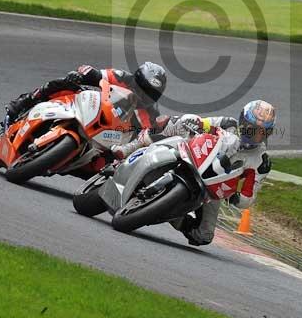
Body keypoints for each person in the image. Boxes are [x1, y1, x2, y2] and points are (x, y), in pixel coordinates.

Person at [112, 100, 276, 246]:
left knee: (203, 236)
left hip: (213, 187)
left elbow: (250, 194)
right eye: (252, 129)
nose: (255, 136)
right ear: (242, 122)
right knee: (173, 122)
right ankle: (129, 149)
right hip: (192, 154)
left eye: (262, 133)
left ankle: (164, 212)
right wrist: (194, 122)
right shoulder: (228, 124)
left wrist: (236, 197)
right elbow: (203, 123)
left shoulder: (261, 161)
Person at [5, 62, 167, 132]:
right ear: (135, 80)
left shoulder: (150, 116)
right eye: (141, 89)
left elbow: (143, 139)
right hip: (93, 108)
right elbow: (93, 72)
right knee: (65, 83)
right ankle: (21, 104)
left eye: (149, 94)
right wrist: (81, 74)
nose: (142, 95)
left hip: (107, 138)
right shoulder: (122, 77)